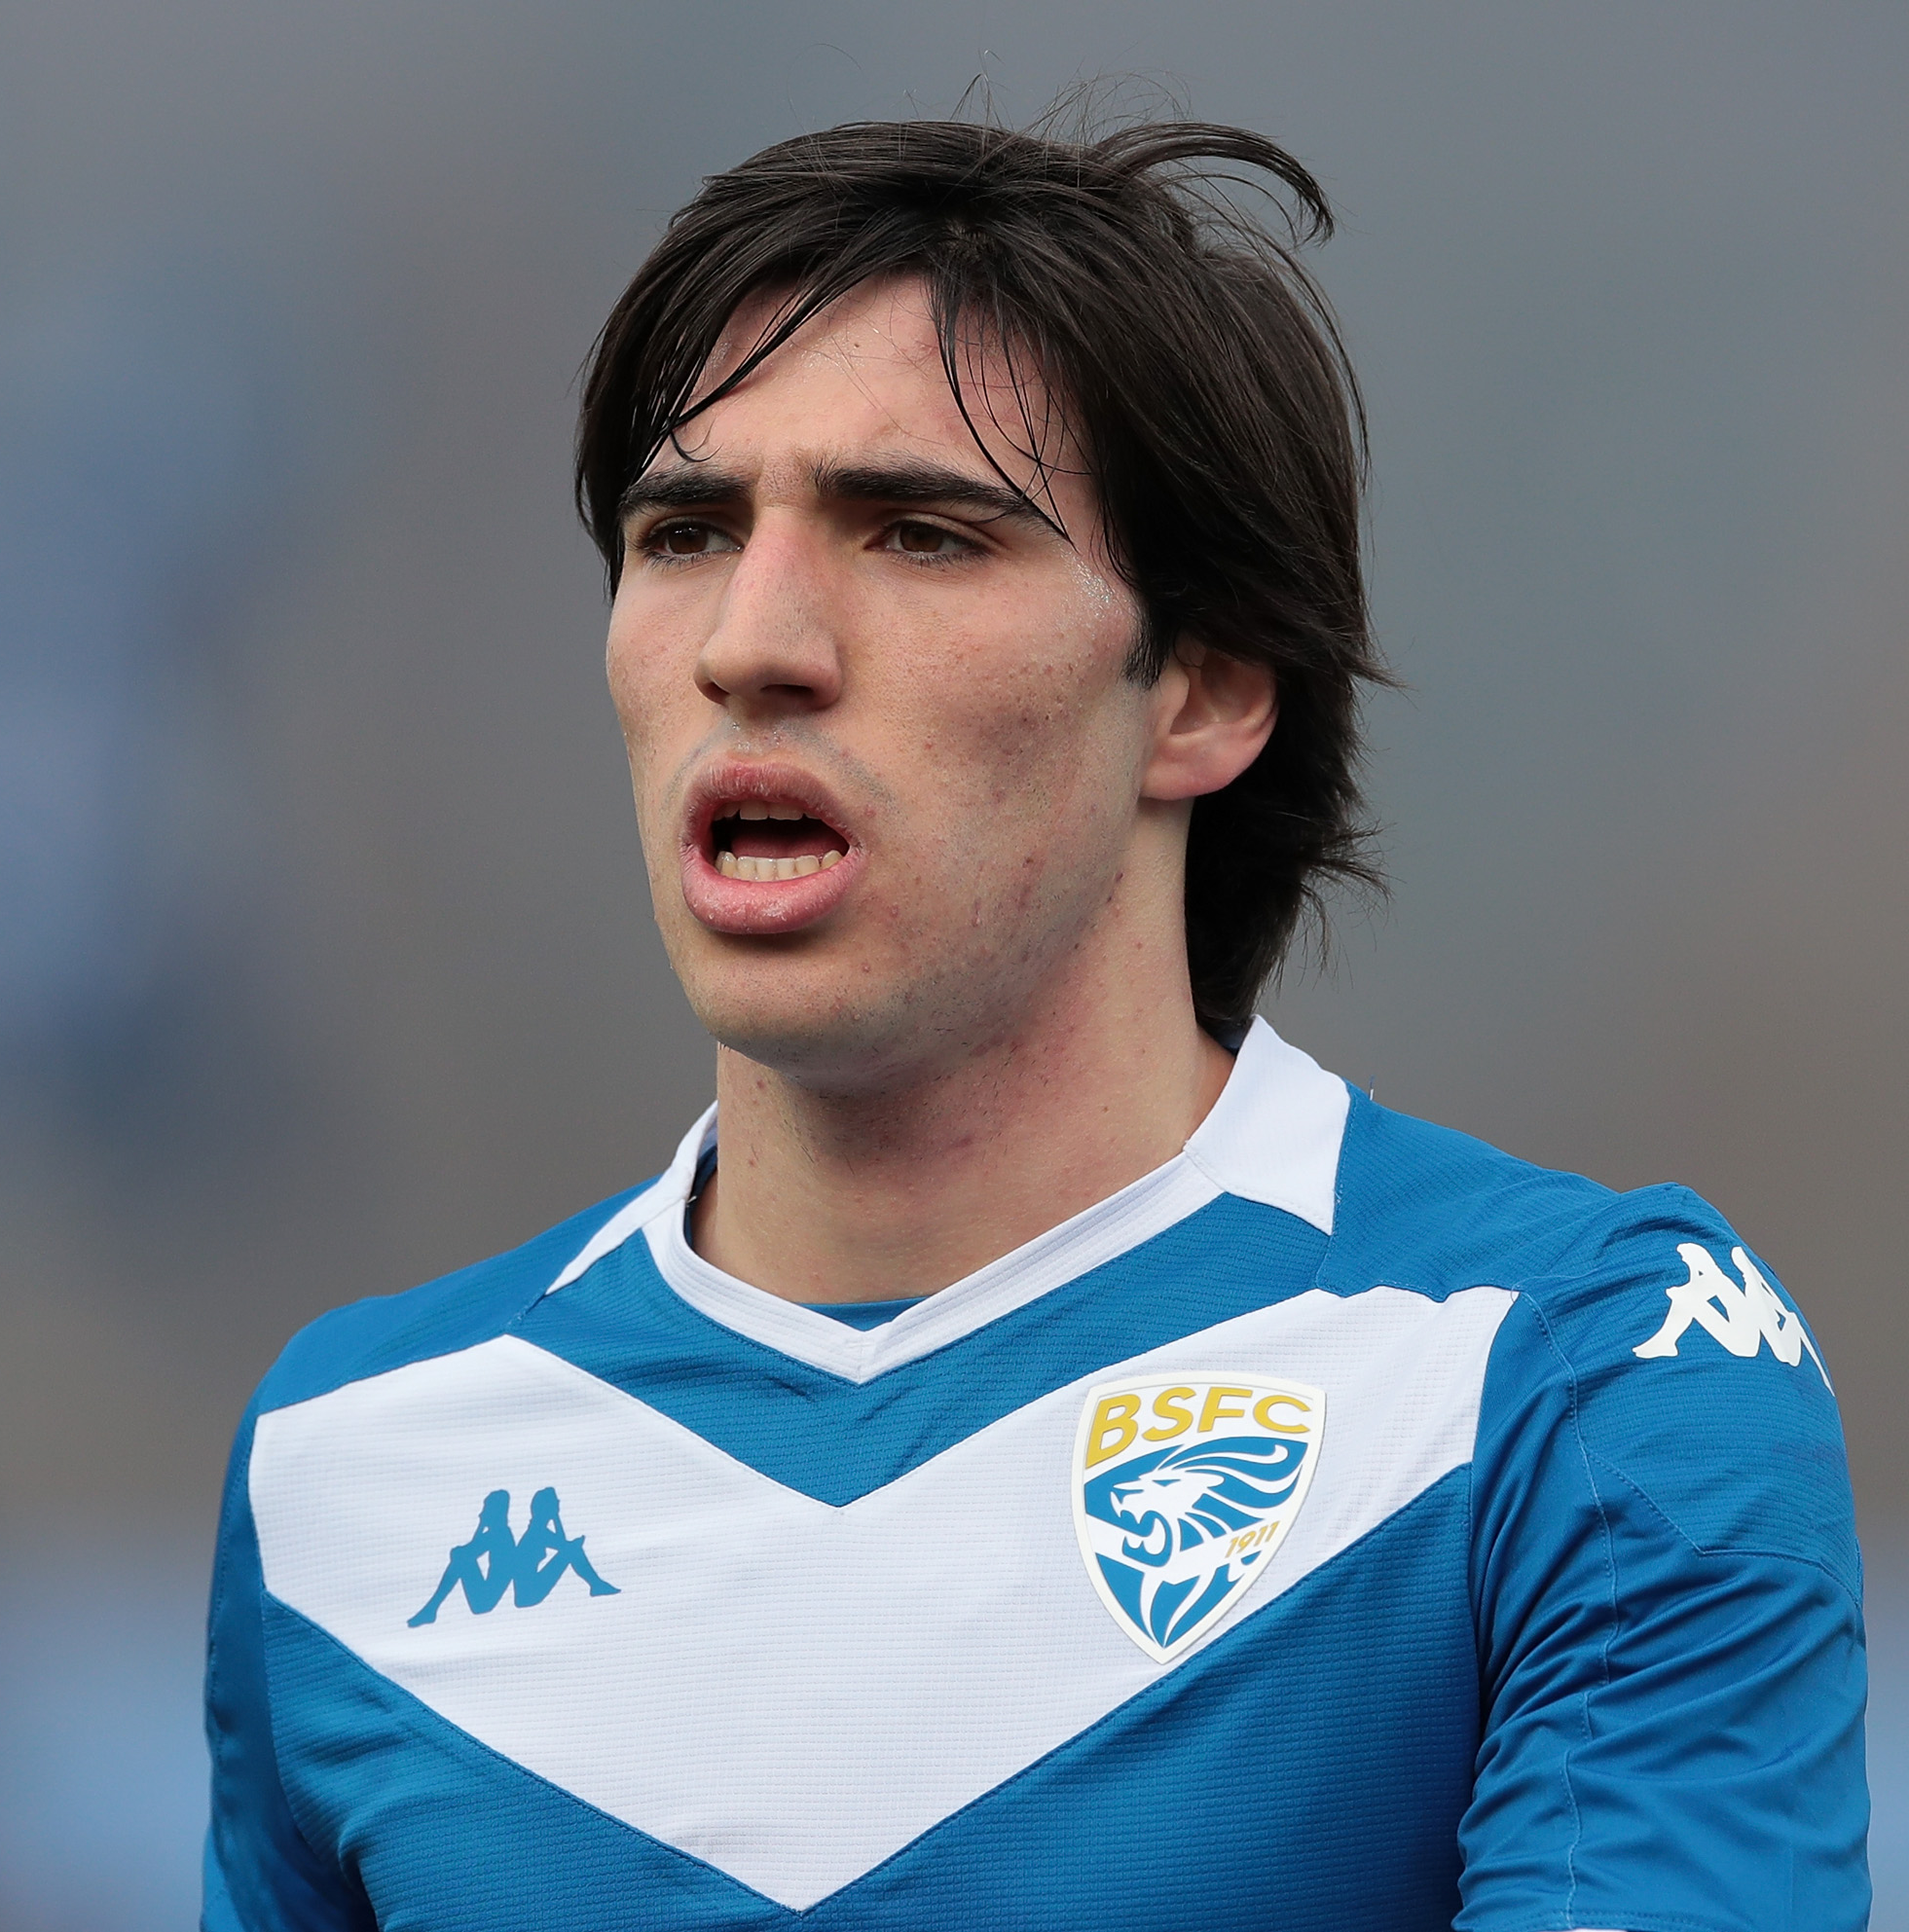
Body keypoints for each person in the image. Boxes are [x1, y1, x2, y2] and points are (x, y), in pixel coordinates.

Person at [202, 115, 1867, 1932]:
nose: (752, 640)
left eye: (920, 533)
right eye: (684, 530)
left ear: (1206, 693)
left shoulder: (1561, 1379)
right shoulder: (352, 1462)